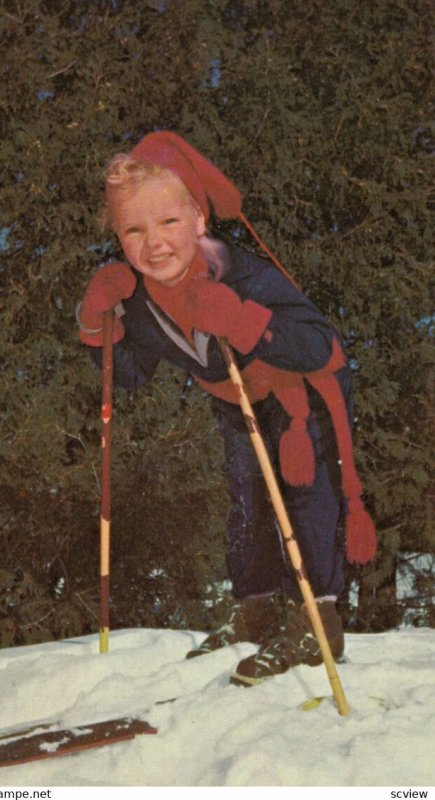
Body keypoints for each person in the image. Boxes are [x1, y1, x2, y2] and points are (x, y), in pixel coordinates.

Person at [77, 131, 376, 686]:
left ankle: (316, 620)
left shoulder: (242, 275)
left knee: (303, 492)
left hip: (299, 389)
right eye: (134, 230)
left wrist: (241, 318)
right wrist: (99, 323)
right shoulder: (140, 302)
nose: (155, 243)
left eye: (168, 222)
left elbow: (315, 342)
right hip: (236, 399)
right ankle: (256, 608)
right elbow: (132, 374)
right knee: (248, 498)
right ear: (119, 238)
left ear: (198, 220)